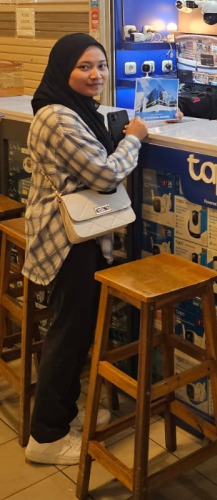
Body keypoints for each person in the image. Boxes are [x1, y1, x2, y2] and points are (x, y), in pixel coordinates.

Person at [24, 34, 148, 465]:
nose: (96, 75)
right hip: (66, 239)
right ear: (63, 69)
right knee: (69, 333)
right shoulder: (59, 117)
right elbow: (104, 175)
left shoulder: (75, 109)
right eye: (84, 67)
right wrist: (134, 139)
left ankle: (62, 414)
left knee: (74, 330)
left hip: (77, 235)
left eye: (101, 65)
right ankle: (47, 437)